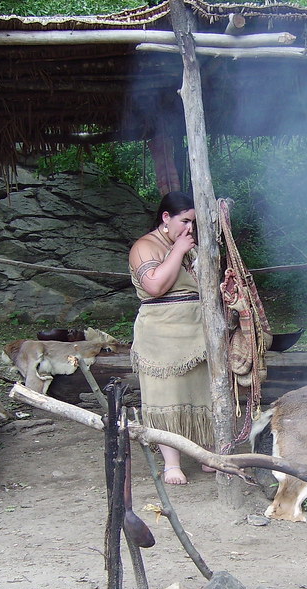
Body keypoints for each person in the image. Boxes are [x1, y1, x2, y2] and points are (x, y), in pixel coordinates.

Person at [129, 192, 213, 485]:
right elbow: (154, 286)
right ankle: (171, 464)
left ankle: (205, 454)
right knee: (166, 397)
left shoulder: (192, 248)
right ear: (166, 218)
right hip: (160, 336)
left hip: (197, 333)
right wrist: (177, 250)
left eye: (194, 223)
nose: (190, 228)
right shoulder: (144, 246)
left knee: (201, 394)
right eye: (185, 221)